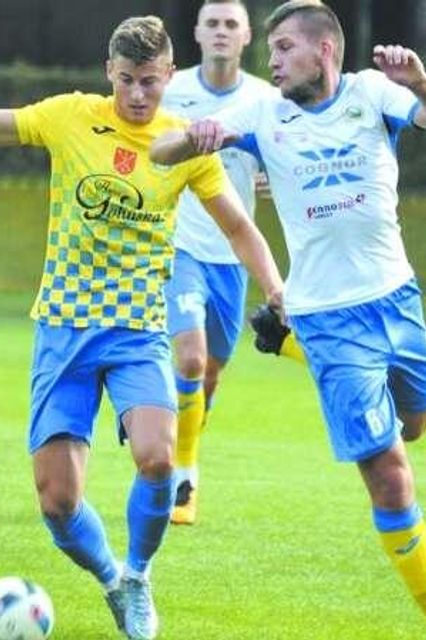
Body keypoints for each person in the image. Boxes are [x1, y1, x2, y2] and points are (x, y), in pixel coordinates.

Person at [0, 15, 284, 640]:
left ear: (168, 77)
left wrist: (277, 291)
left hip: (137, 332)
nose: (138, 95)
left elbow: (240, 227)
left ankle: (138, 577)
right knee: (58, 501)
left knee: (159, 460)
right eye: (128, 80)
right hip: (64, 330)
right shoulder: (70, 116)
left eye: (151, 83)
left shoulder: (181, 142)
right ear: (110, 72)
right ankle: (110, 578)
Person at [149, 1, 426, 638]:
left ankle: (290, 348)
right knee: (389, 473)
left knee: (416, 424)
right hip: (327, 313)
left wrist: (422, 81)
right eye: (268, 50)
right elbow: (162, 151)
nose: (272, 61)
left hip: (398, 301)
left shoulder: (373, 92)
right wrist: (198, 137)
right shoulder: (262, 111)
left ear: (325, 50)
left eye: (285, 48)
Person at [160, 0, 279, 526]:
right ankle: (183, 477)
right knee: (188, 358)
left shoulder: (267, 99)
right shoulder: (171, 89)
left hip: (231, 256)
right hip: (179, 245)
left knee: (208, 374)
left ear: (247, 35)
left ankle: (168, 429)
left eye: (232, 24)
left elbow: (291, 160)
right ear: (198, 34)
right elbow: (144, 145)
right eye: (213, 24)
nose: (222, 32)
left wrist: (274, 178)